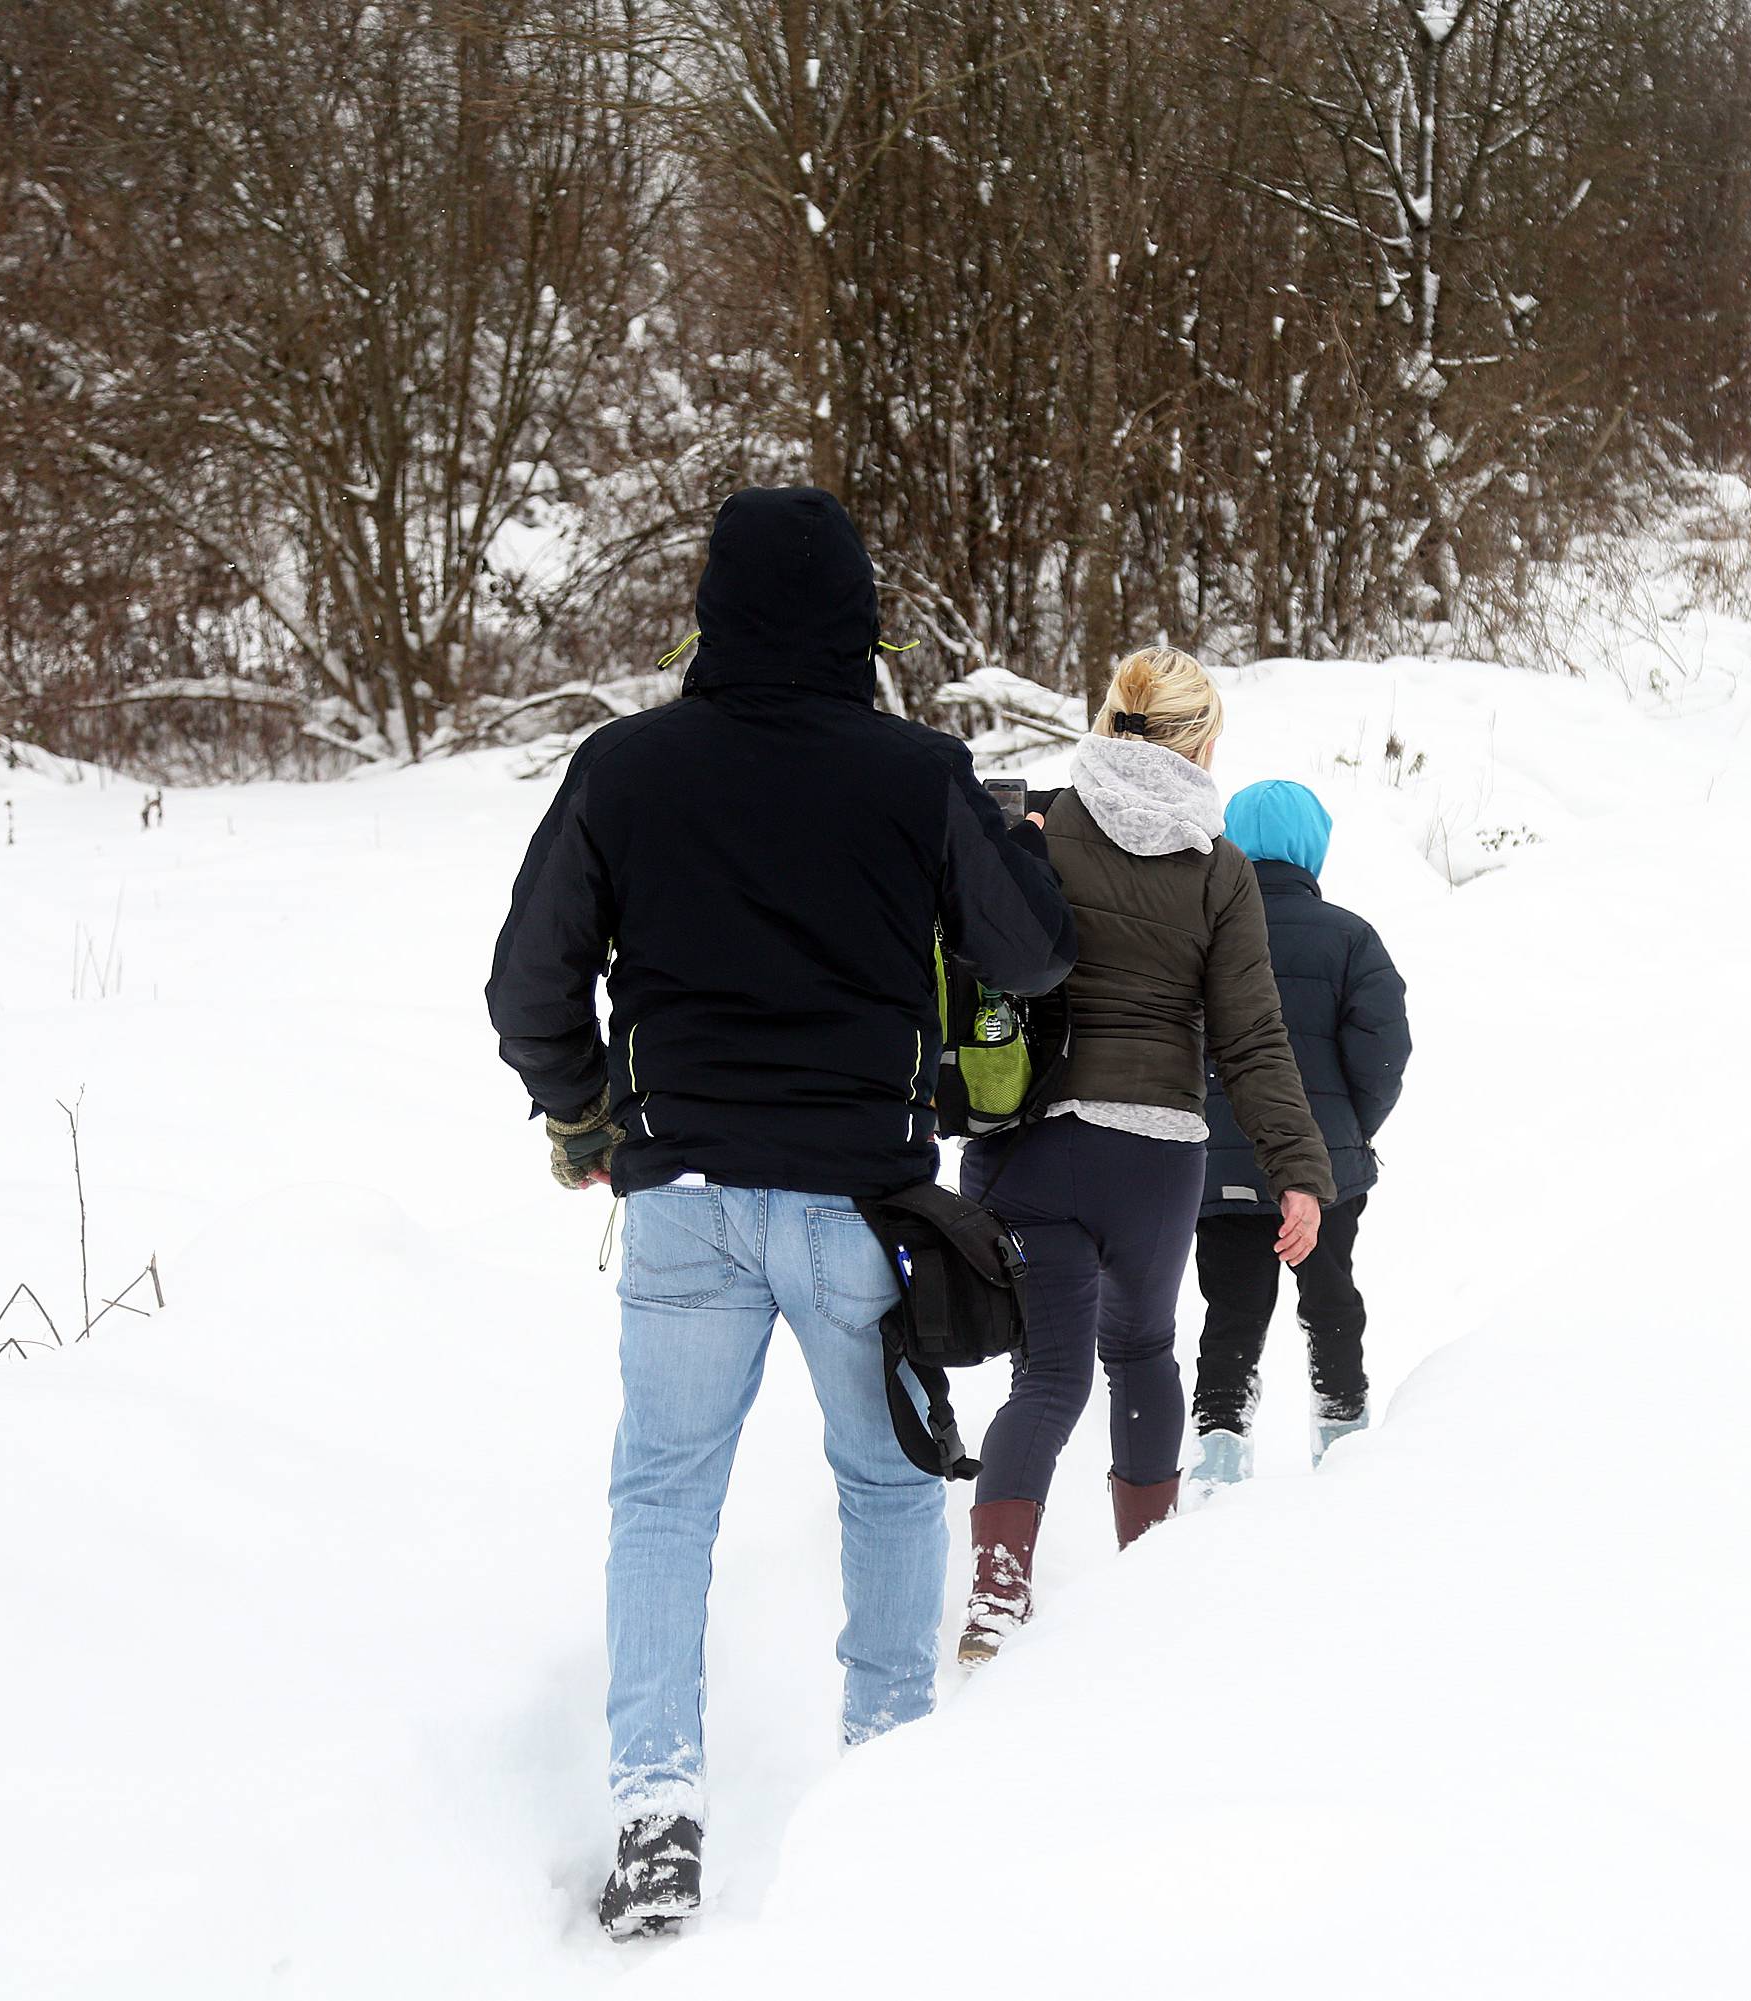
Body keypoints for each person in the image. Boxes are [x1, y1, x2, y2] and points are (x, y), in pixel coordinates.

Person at [484, 487, 1075, 1939]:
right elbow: (1036, 955)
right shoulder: (915, 770)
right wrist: (992, 838)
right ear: (859, 619)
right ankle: (887, 1776)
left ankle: (655, 1812)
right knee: (882, 1487)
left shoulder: (622, 769)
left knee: (664, 1501)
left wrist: (581, 1115)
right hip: (857, 1204)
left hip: (681, 1192)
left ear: (712, 608)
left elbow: (528, 980)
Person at [956, 649, 1336, 1665]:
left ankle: (997, 1598)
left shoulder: (1040, 825)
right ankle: (1146, 1585)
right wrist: (1297, 1168)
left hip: (1038, 1145)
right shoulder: (1220, 869)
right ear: (1203, 742)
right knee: (1141, 1354)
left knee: (1045, 1376)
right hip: (1158, 1159)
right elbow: (1252, 1040)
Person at [1188, 780, 1411, 1489]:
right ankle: (1342, 1433)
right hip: (1324, 1166)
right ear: (1313, 846)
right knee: (1331, 1297)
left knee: (1230, 1308)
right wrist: (1346, 1132)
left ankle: (1220, 1446)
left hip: (1218, 1160)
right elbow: (1384, 1051)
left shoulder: (1203, 931)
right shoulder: (1350, 937)